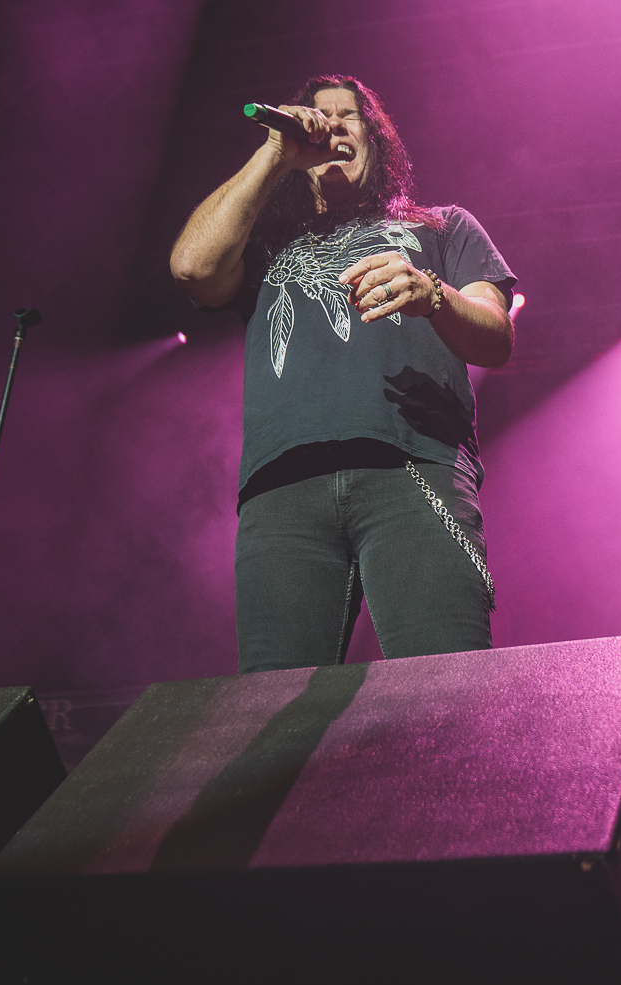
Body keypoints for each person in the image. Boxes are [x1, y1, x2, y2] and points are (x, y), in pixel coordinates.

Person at [170, 75, 515, 674]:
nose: (330, 125)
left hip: (413, 469)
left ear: (376, 140)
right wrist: (276, 153)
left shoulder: (444, 226)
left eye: (347, 116)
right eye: (317, 116)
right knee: (271, 717)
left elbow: (496, 334)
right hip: (283, 490)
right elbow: (191, 267)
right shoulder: (266, 244)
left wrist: (434, 294)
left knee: (446, 692)